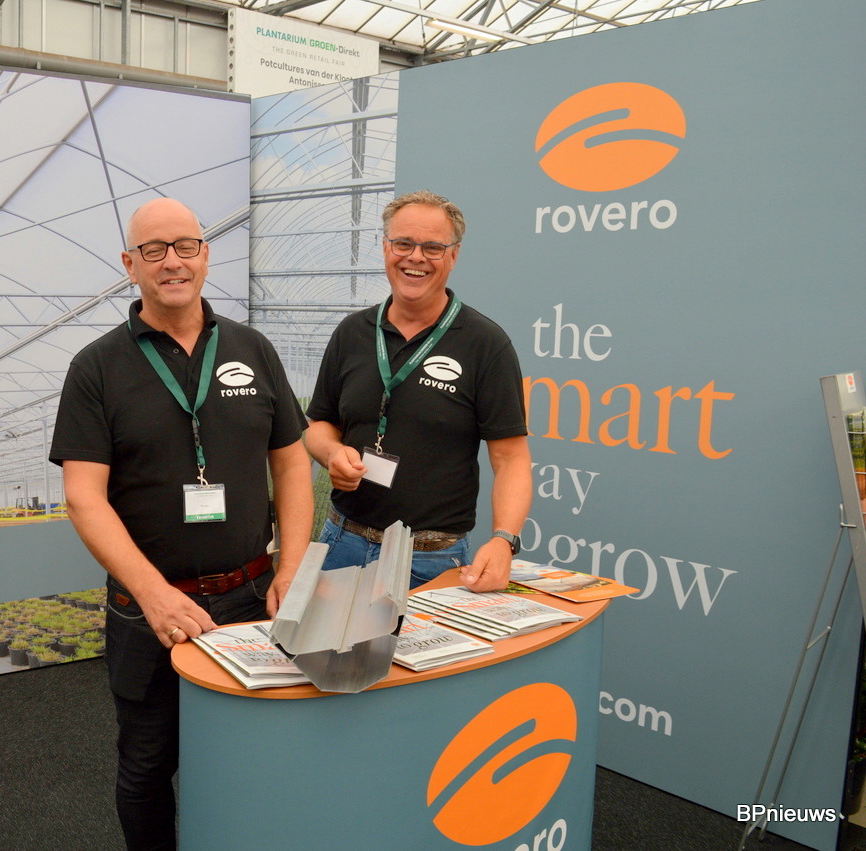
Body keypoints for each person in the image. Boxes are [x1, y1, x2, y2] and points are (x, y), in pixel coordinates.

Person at [50, 197, 313, 850]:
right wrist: (152, 592)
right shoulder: (97, 367)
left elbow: (291, 465)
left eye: (185, 246)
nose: (172, 261)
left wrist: (293, 566)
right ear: (129, 264)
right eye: (154, 250)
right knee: (147, 765)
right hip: (149, 612)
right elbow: (84, 497)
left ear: (205, 254)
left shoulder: (252, 349)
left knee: (249, 753)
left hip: (251, 599)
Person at [304, 190, 531, 592]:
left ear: (453, 255)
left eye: (432, 247)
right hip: (341, 543)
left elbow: (511, 458)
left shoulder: (485, 344)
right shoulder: (352, 333)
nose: (415, 257)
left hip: (430, 559)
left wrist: (503, 540)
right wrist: (331, 453)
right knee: (315, 638)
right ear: (385, 248)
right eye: (403, 244)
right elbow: (318, 424)